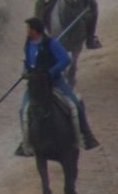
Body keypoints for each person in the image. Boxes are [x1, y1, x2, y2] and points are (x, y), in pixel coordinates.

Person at [17, 15, 99, 153]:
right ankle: (26, 143)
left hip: (54, 81)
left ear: (34, 30)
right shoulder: (28, 43)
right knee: (22, 111)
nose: (26, 30)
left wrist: (50, 72)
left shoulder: (51, 43)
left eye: (28, 28)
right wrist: (25, 72)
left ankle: (86, 136)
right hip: (35, 84)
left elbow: (65, 60)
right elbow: (27, 61)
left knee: (75, 104)